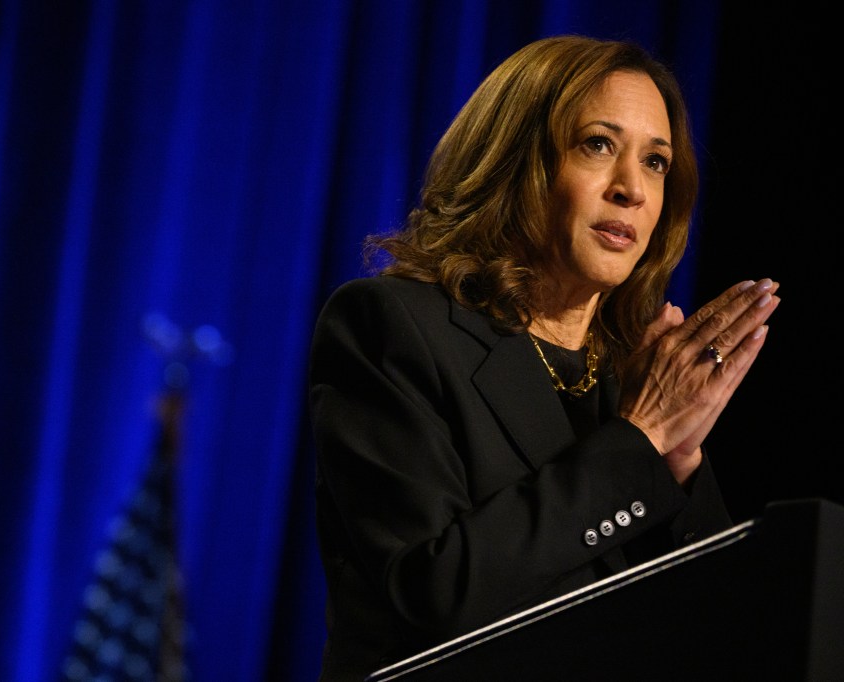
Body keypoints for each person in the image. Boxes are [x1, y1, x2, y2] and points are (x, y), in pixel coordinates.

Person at [307, 34, 780, 680]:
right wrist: (636, 444)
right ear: (517, 160)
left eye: (657, 163)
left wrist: (676, 462)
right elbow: (432, 595)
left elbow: (732, 631)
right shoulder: (390, 328)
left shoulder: (631, 375)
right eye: (598, 145)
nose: (631, 190)